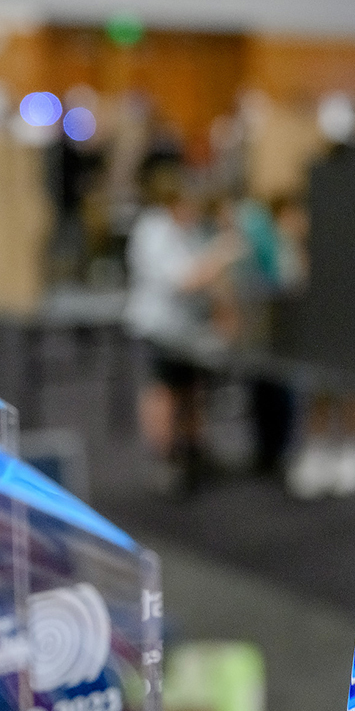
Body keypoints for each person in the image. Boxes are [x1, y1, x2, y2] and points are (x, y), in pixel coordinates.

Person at [125, 157, 240, 487]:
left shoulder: (182, 230)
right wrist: (222, 252)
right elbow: (185, 279)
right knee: (162, 392)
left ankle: (192, 451)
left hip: (185, 330)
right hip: (157, 327)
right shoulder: (154, 230)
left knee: (191, 390)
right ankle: (164, 459)